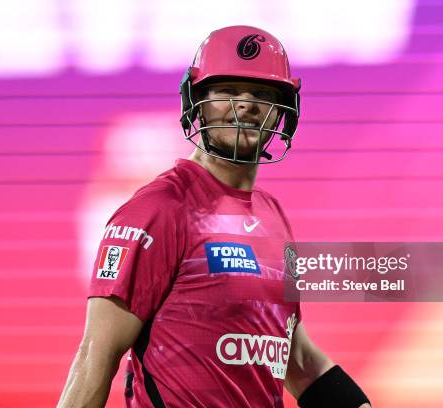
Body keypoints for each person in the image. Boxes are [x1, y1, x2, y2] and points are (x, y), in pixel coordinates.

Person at [58, 25, 371, 408]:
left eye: (262, 94)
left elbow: (296, 357)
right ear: (197, 103)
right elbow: (95, 357)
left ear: (282, 115)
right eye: (226, 91)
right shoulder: (158, 210)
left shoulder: (273, 216)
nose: (245, 105)